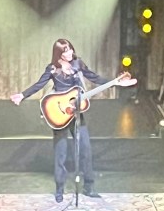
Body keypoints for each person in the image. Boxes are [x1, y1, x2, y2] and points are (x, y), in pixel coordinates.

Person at [10, 38, 135, 202]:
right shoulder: (53, 69)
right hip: (59, 114)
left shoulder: (78, 64)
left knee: (85, 149)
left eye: (70, 49)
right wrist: (22, 95)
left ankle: (89, 187)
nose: (70, 53)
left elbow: (95, 78)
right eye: (65, 51)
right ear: (59, 54)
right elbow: (39, 85)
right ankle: (59, 190)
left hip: (76, 114)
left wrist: (116, 83)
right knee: (60, 153)